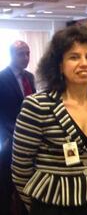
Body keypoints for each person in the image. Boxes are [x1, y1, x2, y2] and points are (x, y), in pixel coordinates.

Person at [11, 25, 87, 215]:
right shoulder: (37, 105)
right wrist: (35, 205)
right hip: (52, 204)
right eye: (74, 57)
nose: (84, 63)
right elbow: (20, 168)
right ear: (59, 64)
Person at [0, 40, 35, 215]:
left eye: (28, 53)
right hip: (8, 140)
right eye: (21, 53)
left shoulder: (30, 77)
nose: (26, 57)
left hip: (30, 138)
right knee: (6, 186)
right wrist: (12, 131)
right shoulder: (2, 77)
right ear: (11, 55)